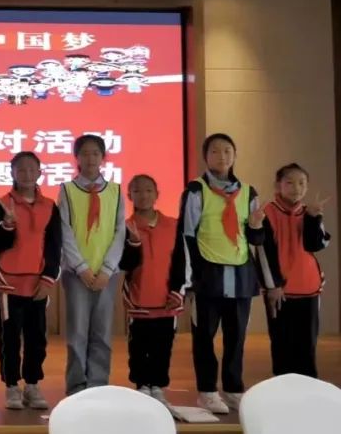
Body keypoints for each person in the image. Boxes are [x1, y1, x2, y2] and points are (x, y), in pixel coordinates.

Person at [174, 133, 267, 414]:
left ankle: (234, 389)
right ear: (206, 157)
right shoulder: (196, 190)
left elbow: (256, 239)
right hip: (207, 276)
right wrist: (189, 279)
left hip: (240, 277)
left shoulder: (248, 192)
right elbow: (186, 235)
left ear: (235, 156)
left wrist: (256, 227)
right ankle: (207, 391)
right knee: (204, 337)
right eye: (215, 151)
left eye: (227, 151)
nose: (222, 156)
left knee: (236, 338)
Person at [0, 151, 61, 410]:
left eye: (32, 169)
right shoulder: (1, 204)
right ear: (12, 173)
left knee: (36, 337)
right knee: (9, 338)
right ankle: (11, 385)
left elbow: (54, 246)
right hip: (8, 284)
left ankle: (32, 384)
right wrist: (7, 225)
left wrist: (48, 278)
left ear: (40, 173)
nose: (27, 174)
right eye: (21, 169)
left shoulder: (50, 206)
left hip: (38, 284)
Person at [58, 134, 126, 396]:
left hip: (107, 274)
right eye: (85, 153)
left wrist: (107, 269)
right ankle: (77, 387)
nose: (90, 158)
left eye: (95, 153)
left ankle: (98, 385)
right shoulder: (67, 190)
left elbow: (120, 231)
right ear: (76, 157)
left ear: (103, 157)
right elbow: (65, 231)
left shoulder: (115, 191)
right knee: (77, 334)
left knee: (102, 333)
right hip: (77, 274)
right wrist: (81, 267)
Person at [259, 163, 330, 378]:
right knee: (282, 346)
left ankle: (307, 391)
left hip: (309, 289)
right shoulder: (267, 212)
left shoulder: (309, 211)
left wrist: (314, 219)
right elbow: (263, 252)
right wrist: (272, 286)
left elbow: (315, 245)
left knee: (307, 347)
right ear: (278, 185)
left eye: (301, 183)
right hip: (281, 291)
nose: (296, 188)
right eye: (289, 182)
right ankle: (283, 391)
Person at [118, 174, 183, 404]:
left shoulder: (174, 225)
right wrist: (133, 244)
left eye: (148, 190)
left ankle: (158, 385)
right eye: (137, 191)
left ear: (157, 194)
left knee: (163, 345)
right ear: (129, 196)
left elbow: (182, 261)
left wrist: (178, 291)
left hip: (167, 298)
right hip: (139, 298)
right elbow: (124, 264)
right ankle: (142, 384)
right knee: (138, 345)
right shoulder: (125, 227)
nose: (143, 195)